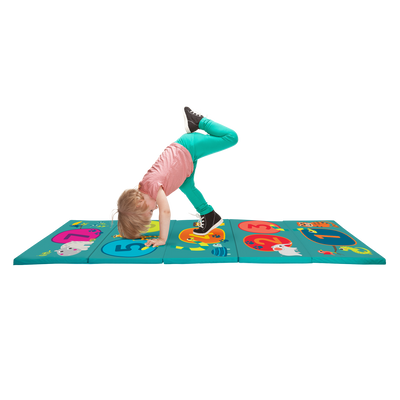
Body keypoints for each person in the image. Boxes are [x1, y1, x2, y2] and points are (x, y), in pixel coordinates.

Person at [107, 104, 241, 247]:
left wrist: (162, 239)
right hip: (183, 157)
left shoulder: (152, 186)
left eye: (150, 211)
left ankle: (198, 120)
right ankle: (209, 215)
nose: (154, 211)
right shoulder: (145, 188)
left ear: (139, 203)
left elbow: (166, 211)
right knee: (187, 186)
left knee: (231, 137)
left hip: (187, 146)